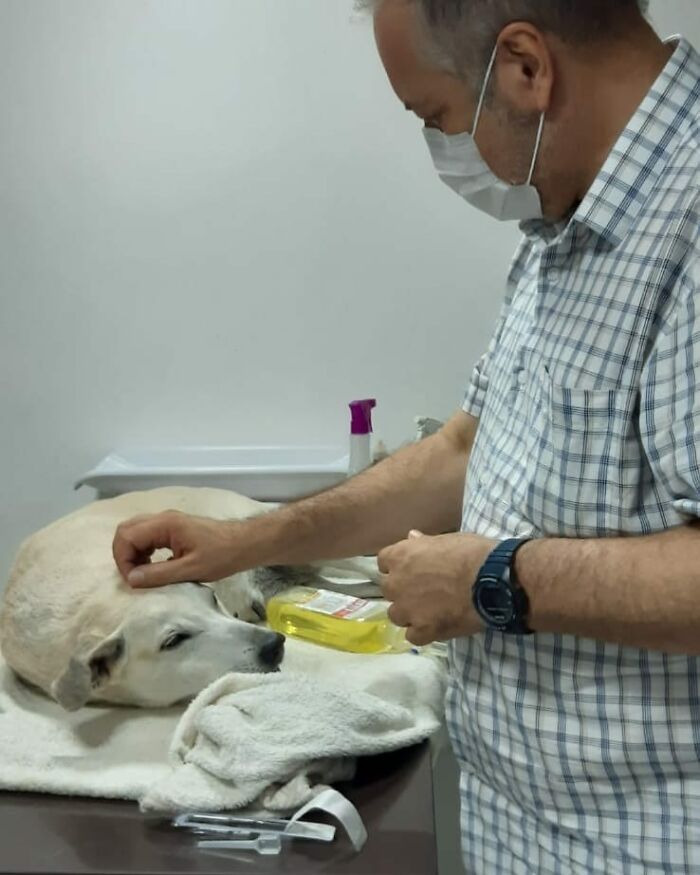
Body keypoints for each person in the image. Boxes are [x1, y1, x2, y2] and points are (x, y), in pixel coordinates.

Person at [112, 1, 700, 871]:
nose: (445, 151)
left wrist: (495, 580)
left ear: (525, 70)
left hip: (643, 843)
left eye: (438, 118)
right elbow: (468, 448)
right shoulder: (563, 223)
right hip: (523, 824)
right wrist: (245, 541)